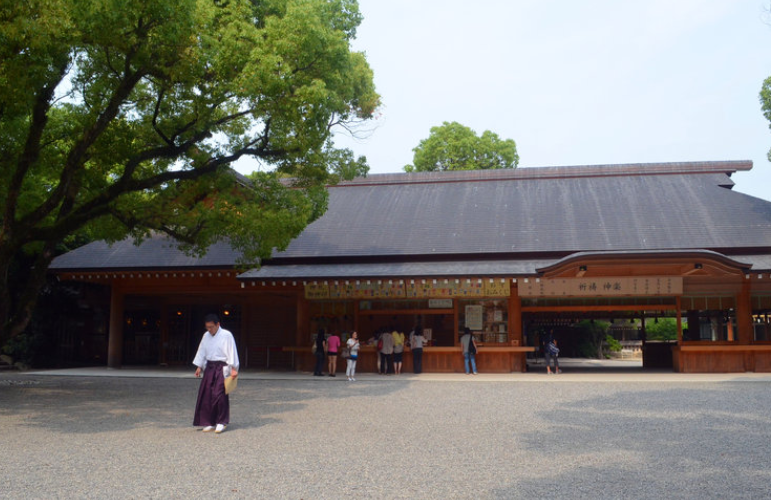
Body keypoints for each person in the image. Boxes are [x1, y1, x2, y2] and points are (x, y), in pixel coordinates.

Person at [193, 313, 239, 434]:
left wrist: (233, 368)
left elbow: (231, 351)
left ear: (218, 324)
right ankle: (209, 421)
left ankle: (221, 421)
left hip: (221, 367)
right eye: (207, 327)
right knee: (206, 394)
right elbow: (202, 351)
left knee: (219, 394)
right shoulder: (206, 336)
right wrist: (199, 366)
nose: (209, 329)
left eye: (211, 327)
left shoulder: (226, 335)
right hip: (210, 366)